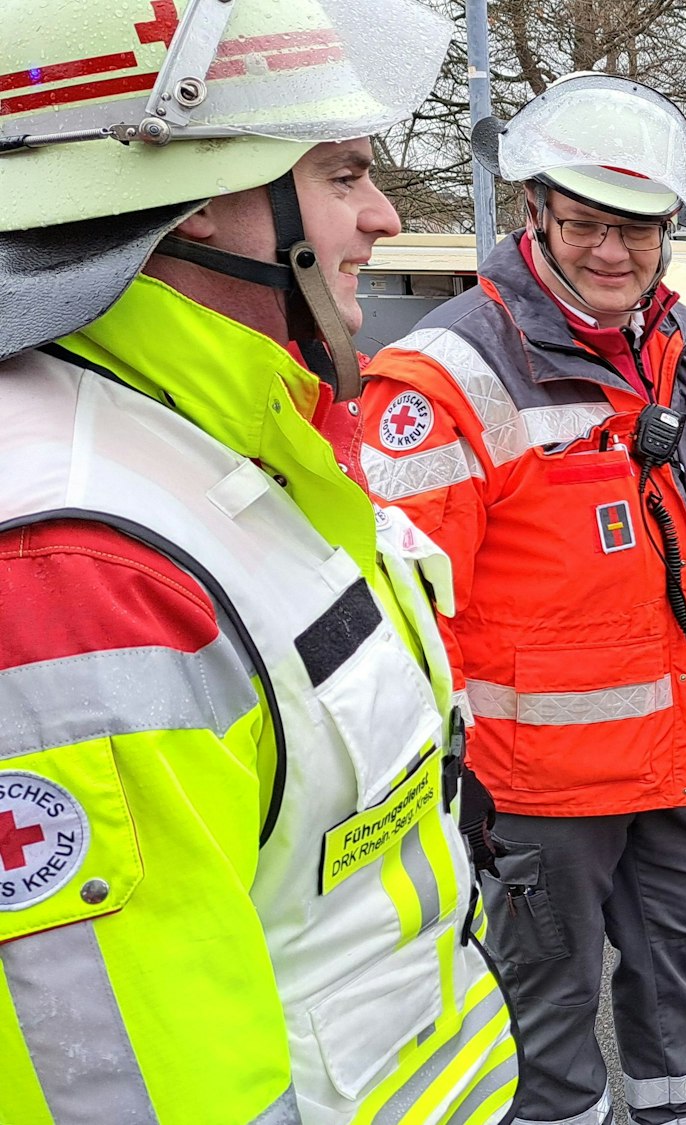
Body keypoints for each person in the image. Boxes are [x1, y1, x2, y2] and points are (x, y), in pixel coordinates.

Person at [0, 2, 520, 1122]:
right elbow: (127, 1089)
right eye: (341, 174)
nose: (382, 215)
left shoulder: (236, 442)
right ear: (180, 203)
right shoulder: (73, 565)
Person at [356, 73, 686, 1125]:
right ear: (534, 212)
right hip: (533, 792)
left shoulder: (675, 344)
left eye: (636, 231)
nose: (610, 253)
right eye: (584, 223)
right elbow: (398, 615)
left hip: (677, 754)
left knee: (681, 977)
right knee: (543, 1016)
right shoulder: (444, 376)